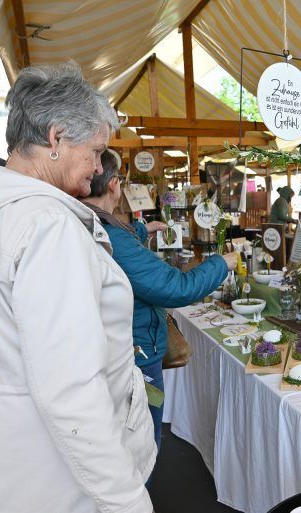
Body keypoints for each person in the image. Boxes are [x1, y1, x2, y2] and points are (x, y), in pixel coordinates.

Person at [0, 63, 157, 513]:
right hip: (54, 474)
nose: (99, 168)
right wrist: (126, 500)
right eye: (95, 150)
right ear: (56, 138)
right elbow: (71, 391)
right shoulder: (48, 226)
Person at [83, 151, 237, 452]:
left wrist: (142, 230)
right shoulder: (113, 237)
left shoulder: (88, 222)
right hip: (136, 354)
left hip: (118, 349)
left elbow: (121, 246)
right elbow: (176, 287)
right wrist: (221, 263)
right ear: (114, 184)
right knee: (143, 442)